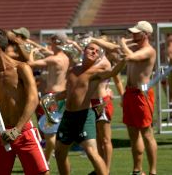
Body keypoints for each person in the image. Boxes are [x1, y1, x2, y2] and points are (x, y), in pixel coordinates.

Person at [0, 29, 49, 175]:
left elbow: (33, 99)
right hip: (2, 133)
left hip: (24, 132)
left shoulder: (22, 68)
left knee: (41, 173)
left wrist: (17, 129)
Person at [54, 42, 126, 175]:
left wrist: (124, 58)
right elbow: (68, 92)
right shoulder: (72, 70)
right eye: (91, 49)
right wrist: (52, 98)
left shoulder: (96, 73)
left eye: (97, 51)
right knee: (59, 153)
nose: (94, 52)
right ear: (84, 51)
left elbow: (114, 71)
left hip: (84, 116)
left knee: (92, 153)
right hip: (68, 117)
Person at [25, 33, 70, 165]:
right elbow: (47, 51)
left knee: (50, 132)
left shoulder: (54, 59)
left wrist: (32, 52)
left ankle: (52, 159)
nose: (50, 43)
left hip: (52, 97)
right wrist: (34, 44)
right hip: (62, 95)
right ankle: (49, 159)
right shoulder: (64, 57)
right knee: (54, 128)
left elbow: (30, 63)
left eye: (51, 41)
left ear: (56, 42)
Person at [121, 21, 157, 175]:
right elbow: (116, 50)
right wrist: (95, 42)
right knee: (133, 133)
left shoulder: (149, 50)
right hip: (129, 93)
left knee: (147, 134)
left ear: (145, 35)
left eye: (136, 33)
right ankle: (137, 170)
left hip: (141, 94)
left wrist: (123, 42)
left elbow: (129, 58)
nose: (133, 35)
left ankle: (152, 171)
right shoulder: (135, 47)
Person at [89, 36, 125, 174]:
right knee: (97, 138)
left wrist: (123, 97)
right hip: (91, 102)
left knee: (105, 139)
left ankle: (107, 170)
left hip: (102, 102)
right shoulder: (93, 59)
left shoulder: (105, 62)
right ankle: (100, 168)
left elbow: (118, 81)